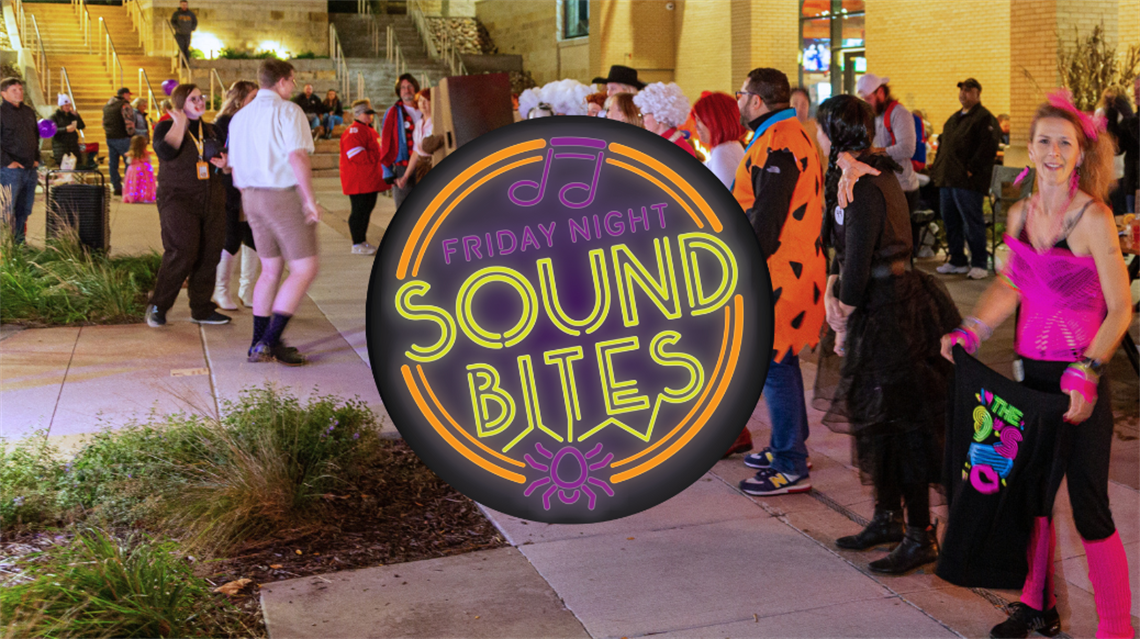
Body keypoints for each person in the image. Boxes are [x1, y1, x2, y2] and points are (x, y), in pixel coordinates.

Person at [940, 90, 1133, 639]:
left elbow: (1121, 307)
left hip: (1079, 383)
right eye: (1044, 140)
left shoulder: (1093, 216)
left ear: (1080, 154)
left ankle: (1117, 629)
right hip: (1030, 379)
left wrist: (1090, 368)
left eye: (1064, 143)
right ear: (1029, 149)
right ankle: (1037, 606)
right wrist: (974, 328)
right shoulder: (1023, 212)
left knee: (1090, 507)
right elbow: (1012, 282)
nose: (1053, 151)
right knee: (1031, 497)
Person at [812, 95, 960, 574]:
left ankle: (920, 533)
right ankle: (887, 517)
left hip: (891, 310)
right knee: (880, 420)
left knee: (902, 423)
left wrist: (841, 312)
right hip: (880, 303)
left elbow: (858, 259)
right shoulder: (856, 173)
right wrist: (839, 293)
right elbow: (844, 253)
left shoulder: (866, 181)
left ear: (832, 133)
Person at [732, 68, 827, 494]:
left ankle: (790, 464)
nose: (738, 101)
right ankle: (792, 448)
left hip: (779, 273)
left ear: (756, 101)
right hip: (793, 268)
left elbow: (765, 221)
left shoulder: (780, 142)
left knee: (774, 364)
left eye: (741, 94)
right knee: (781, 362)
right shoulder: (791, 133)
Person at [228, 59, 320, 366]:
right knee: (305, 268)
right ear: (282, 81)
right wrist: (309, 199)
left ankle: (258, 342)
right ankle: (269, 340)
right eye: (292, 81)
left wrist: (246, 193)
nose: (293, 86)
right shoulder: (288, 111)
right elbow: (297, 156)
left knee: (270, 270)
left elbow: (234, 165)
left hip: (250, 196)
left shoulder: (239, 117)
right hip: (281, 195)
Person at [144, 83, 230, 328]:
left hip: (211, 198)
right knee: (182, 250)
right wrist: (180, 124)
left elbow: (224, 161)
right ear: (180, 102)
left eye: (201, 97)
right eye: (193, 98)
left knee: (210, 253)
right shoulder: (164, 126)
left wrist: (226, 163)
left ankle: (201, 308)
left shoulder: (211, 129)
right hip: (178, 199)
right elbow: (166, 152)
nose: (199, 101)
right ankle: (159, 305)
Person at [928, 78, 1000, 279]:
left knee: (971, 221)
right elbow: (944, 145)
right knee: (951, 221)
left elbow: (988, 148)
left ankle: (979, 262)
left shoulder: (984, 119)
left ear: (978, 93)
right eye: (962, 90)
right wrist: (938, 172)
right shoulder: (953, 119)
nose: (963, 94)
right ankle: (956, 260)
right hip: (948, 179)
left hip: (968, 182)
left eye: (968, 90)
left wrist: (971, 169)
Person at [856, 74, 921, 258]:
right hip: (885, 186)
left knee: (900, 244)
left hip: (903, 188)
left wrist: (876, 151)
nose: (867, 103)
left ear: (881, 93)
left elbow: (907, 148)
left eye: (869, 99)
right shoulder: (875, 116)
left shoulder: (899, 114)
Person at [212, 79, 260, 310]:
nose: (257, 102)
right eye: (253, 97)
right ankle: (221, 290)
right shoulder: (224, 122)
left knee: (253, 238)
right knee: (231, 237)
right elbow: (220, 154)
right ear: (240, 99)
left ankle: (246, 289)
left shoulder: (257, 121)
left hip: (253, 186)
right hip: (230, 187)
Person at [340, 99, 384, 255]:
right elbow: (356, 155)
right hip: (359, 180)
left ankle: (361, 241)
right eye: (367, 114)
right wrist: (379, 154)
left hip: (368, 179)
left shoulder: (368, 130)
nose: (370, 117)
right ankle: (357, 242)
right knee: (359, 211)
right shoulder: (354, 132)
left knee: (366, 210)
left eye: (371, 114)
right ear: (358, 114)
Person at [0, 78, 40, 244]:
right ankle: (5, 248)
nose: (19, 92)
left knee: (24, 210)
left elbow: (35, 137)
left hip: (30, 169)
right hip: (10, 171)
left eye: (20, 89)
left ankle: (19, 245)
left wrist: (37, 158)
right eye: (14, 90)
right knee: (6, 211)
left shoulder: (28, 111)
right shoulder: (1, 113)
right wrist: (8, 162)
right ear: (3, 93)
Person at [379, 73, 421, 209]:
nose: (407, 90)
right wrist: (387, 171)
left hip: (425, 165)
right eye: (403, 88)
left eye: (409, 86)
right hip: (403, 166)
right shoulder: (392, 112)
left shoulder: (424, 108)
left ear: (415, 88)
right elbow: (385, 143)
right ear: (399, 91)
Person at [690, 91, 746, 189]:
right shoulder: (730, 147)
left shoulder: (722, 153)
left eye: (699, 121)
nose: (696, 126)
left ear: (714, 122)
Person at [633, 82, 697, 157]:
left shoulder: (676, 148)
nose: (642, 121)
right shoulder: (664, 142)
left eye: (644, 115)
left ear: (658, 117)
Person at [397, 89, 441, 194]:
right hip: (421, 167)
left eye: (427, 100)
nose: (423, 103)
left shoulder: (438, 123)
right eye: (420, 100)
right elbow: (416, 152)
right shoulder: (418, 123)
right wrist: (405, 176)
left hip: (435, 165)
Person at [102, 87, 136, 196]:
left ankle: (116, 186)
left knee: (113, 163)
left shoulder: (107, 106)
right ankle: (128, 186)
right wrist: (131, 134)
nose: (130, 97)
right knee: (129, 161)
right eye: (128, 94)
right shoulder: (124, 105)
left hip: (110, 137)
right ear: (124, 94)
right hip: (123, 137)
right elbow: (129, 121)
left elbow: (103, 122)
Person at [791, 85, 827, 173]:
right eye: (795, 104)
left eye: (803, 104)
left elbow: (825, 162)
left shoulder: (817, 129)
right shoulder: (781, 130)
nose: (799, 109)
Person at [50, 94, 85, 168]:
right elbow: (52, 130)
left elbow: (81, 126)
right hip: (61, 148)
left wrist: (77, 116)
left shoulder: (72, 116)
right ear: (61, 106)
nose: (67, 107)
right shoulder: (54, 117)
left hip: (73, 147)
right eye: (65, 105)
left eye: (69, 105)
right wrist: (65, 129)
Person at [121, 134, 156, 204]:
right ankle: (144, 196)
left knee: (134, 183)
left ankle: (134, 196)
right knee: (145, 183)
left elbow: (129, 161)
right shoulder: (146, 153)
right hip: (146, 169)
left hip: (134, 170)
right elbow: (149, 160)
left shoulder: (131, 153)